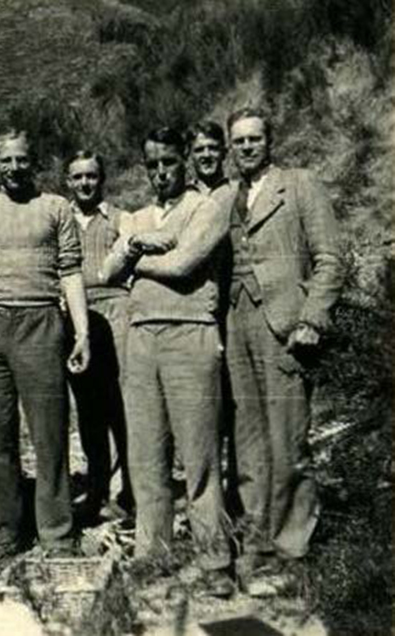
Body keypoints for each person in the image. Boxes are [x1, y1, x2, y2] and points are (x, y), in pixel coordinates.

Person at [100, 127, 235, 596]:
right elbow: (105, 271)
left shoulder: (207, 207)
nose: (161, 173)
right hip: (141, 336)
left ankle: (215, 559)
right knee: (145, 454)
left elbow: (183, 265)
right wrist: (143, 243)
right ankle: (152, 555)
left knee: (199, 455)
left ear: (185, 162)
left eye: (169, 163)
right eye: (153, 165)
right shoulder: (136, 217)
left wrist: (134, 254)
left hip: (190, 332)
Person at [0, 129, 90, 559]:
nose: (14, 168)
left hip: (41, 324)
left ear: (34, 162)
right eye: (6, 160)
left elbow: (70, 272)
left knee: (50, 434)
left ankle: (57, 534)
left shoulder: (56, 208)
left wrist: (82, 332)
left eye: (22, 159)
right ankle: (3, 533)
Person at [223, 108, 342, 579]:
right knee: (249, 443)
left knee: (288, 439)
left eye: (254, 138)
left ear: (269, 141)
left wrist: (312, 318)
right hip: (236, 325)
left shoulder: (299, 184)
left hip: (285, 327)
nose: (247, 147)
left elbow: (330, 259)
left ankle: (292, 546)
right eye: (239, 141)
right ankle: (258, 540)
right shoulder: (228, 196)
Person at [64, 150, 134, 522]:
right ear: (68, 181)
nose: (85, 183)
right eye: (78, 177)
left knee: (120, 402)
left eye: (91, 176)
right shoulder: (60, 219)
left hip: (116, 311)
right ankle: (96, 488)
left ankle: (128, 489)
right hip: (77, 316)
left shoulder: (120, 218)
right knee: (88, 406)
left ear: (101, 178)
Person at [188, 122, 231, 196]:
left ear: (224, 153)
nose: (206, 155)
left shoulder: (238, 190)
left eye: (213, 148)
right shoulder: (184, 194)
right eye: (199, 150)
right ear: (190, 155)